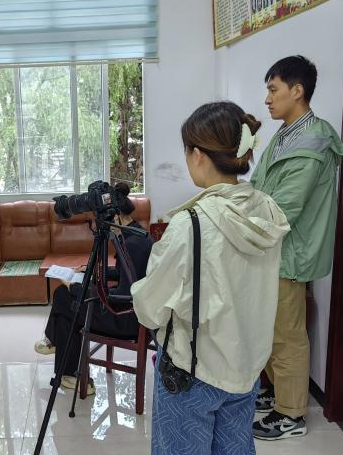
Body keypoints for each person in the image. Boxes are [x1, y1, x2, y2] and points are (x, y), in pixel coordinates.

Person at [131, 102, 290, 454]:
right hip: (246, 369)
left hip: (194, 373)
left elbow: (150, 308)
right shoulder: (267, 211)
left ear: (199, 155)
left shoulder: (190, 225)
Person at [251, 55, 343, 440]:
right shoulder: (286, 133)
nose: (267, 99)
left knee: (287, 334)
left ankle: (291, 414)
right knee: (269, 329)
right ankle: (277, 391)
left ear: (297, 90)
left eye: (273, 90)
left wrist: (239, 222)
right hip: (272, 249)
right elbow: (258, 185)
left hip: (289, 252)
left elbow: (284, 206)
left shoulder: (312, 139)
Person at [34, 183, 153, 394]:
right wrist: (94, 273)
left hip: (127, 319)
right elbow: (128, 274)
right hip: (135, 312)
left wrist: (78, 287)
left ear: (115, 216)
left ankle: (63, 358)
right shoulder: (136, 235)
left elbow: (124, 295)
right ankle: (66, 368)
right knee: (66, 298)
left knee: (66, 299)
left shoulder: (131, 244)